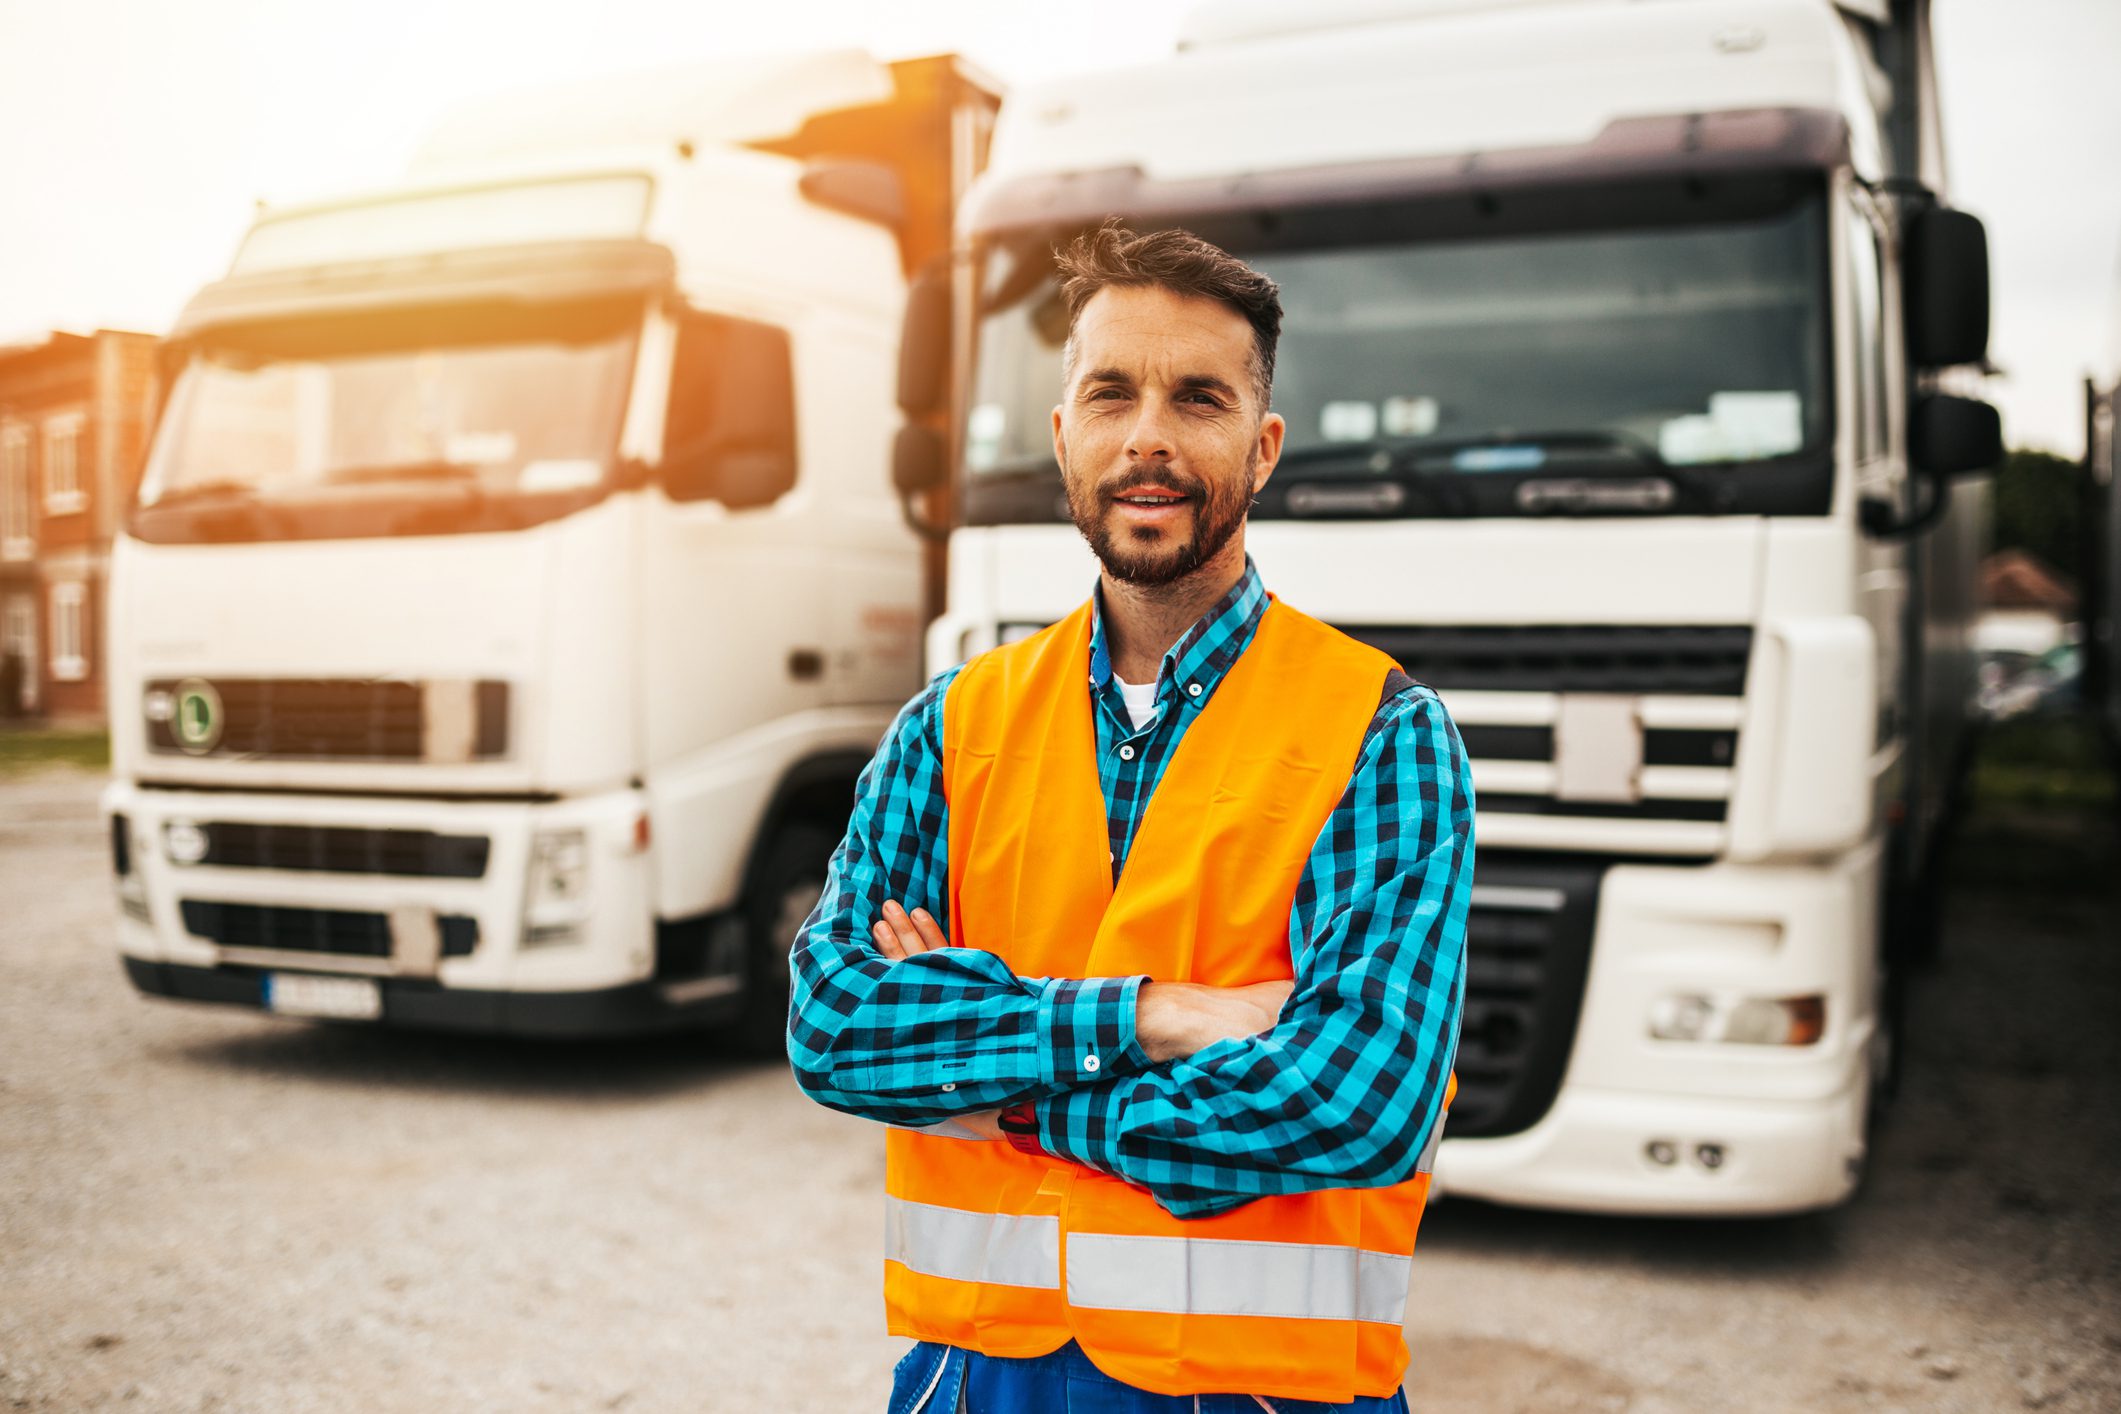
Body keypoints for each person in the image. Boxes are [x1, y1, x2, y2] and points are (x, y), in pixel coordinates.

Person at [788, 223, 1473, 1413]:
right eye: (1111, 392)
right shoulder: (951, 727)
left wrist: (998, 1086)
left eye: (1196, 397)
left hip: (1260, 1395)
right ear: (1065, 435)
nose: (1147, 433)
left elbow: (1356, 1098)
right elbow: (840, 1027)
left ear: (1260, 451)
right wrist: (1165, 1016)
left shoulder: (1382, 732)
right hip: (969, 1382)